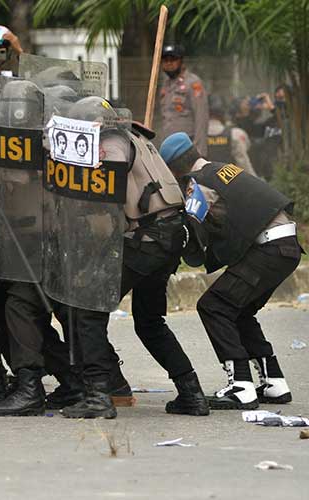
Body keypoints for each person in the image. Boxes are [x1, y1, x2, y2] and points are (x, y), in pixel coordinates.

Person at [59, 98, 210, 420]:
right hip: (170, 235)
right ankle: (192, 393)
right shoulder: (136, 140)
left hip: (148, 238)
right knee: (149, 320)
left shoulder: (111, 146)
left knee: (87, 308)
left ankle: (100, 395)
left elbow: (106, 204)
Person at [160, 132, 301, 410]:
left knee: (214, 306)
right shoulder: (222, 169)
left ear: (174, 169)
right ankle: (273, 381)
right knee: (239, 309)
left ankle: (241, 386)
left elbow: (192, 229)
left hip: (268, 247)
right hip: (288, 246)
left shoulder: (197, 184)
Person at [159, 44, 208, 157]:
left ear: (181, 61)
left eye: (173, 59)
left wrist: (199, 152)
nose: (169, 63)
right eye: (165, 60)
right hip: (169, 145)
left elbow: (201, 118)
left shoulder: (193, 83)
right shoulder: (166, 85)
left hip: (187, 147)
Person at [206, 94, 256, 176]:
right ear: (224, 112)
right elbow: (243, 163)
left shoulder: (196, 138)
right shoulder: (236, 134)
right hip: (229, 183)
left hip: (202, 183)